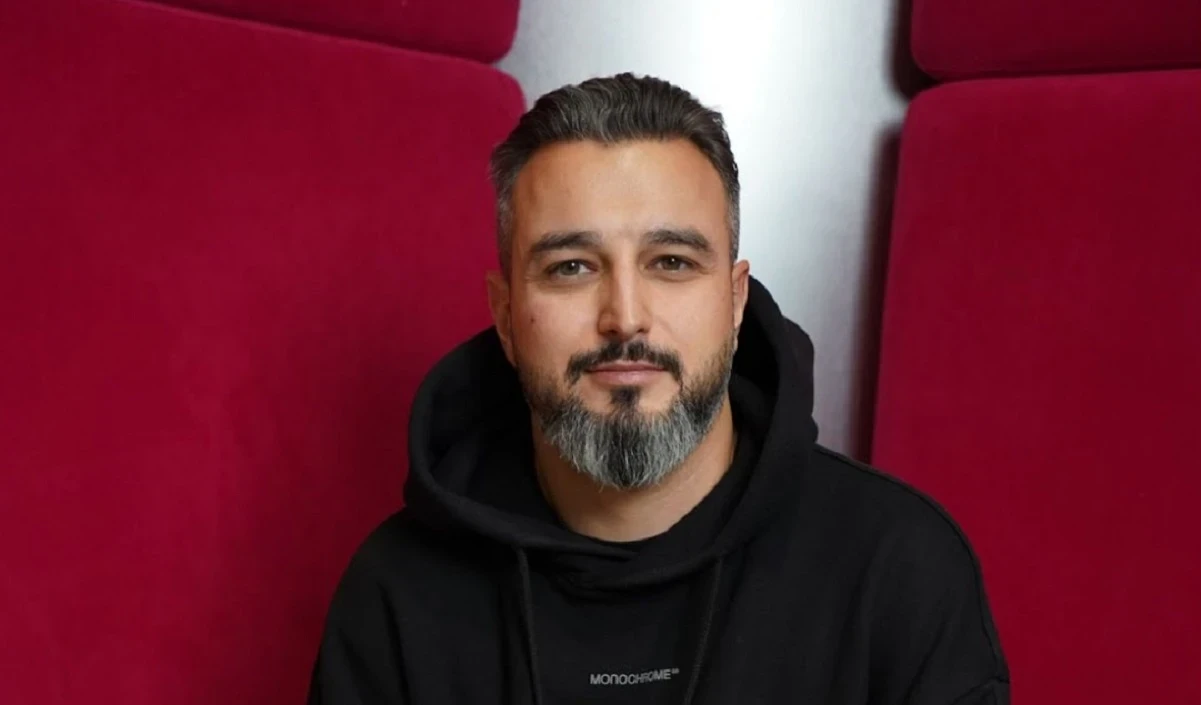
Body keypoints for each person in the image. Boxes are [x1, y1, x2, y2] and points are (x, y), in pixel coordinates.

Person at [308, 73, 1009, 705]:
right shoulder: (395, 593)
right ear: (505, 316)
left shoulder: (899, 570)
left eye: (671, 262)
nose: (625, 317)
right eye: (571, 267)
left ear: (735, 301)